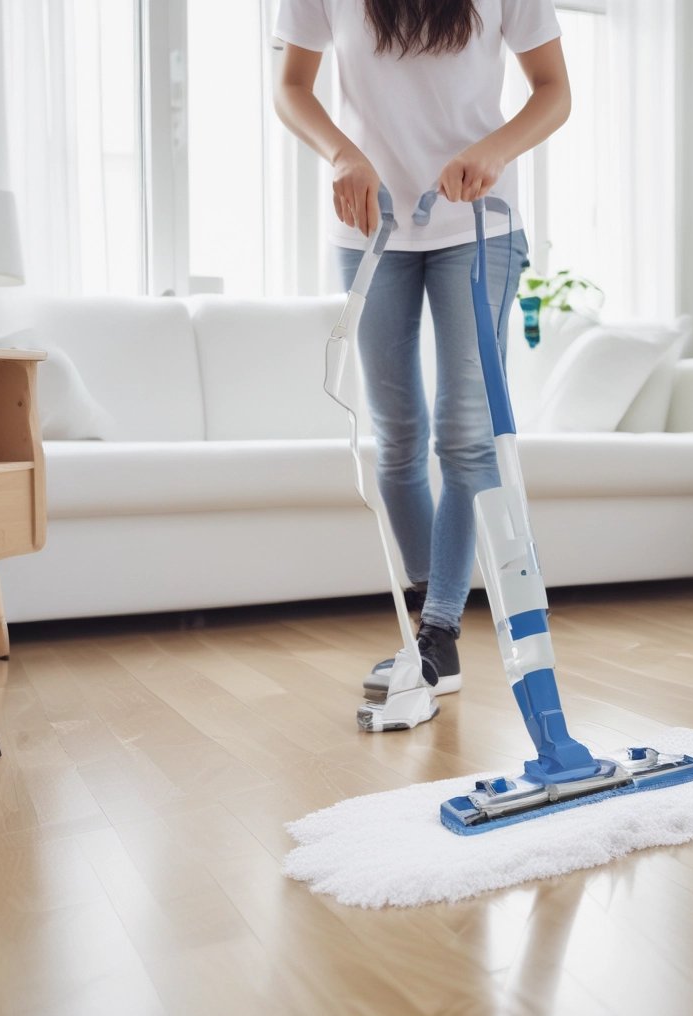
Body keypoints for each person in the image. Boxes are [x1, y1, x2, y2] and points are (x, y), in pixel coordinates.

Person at [274, 0, 570, 696]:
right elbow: (291, 86)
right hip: (369, 227)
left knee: (466, 435)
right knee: (398, 436)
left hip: (478, 224)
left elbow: (553, 90)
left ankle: (439, 632)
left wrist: (495, 149)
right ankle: (427, 613)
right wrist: (342, 153)